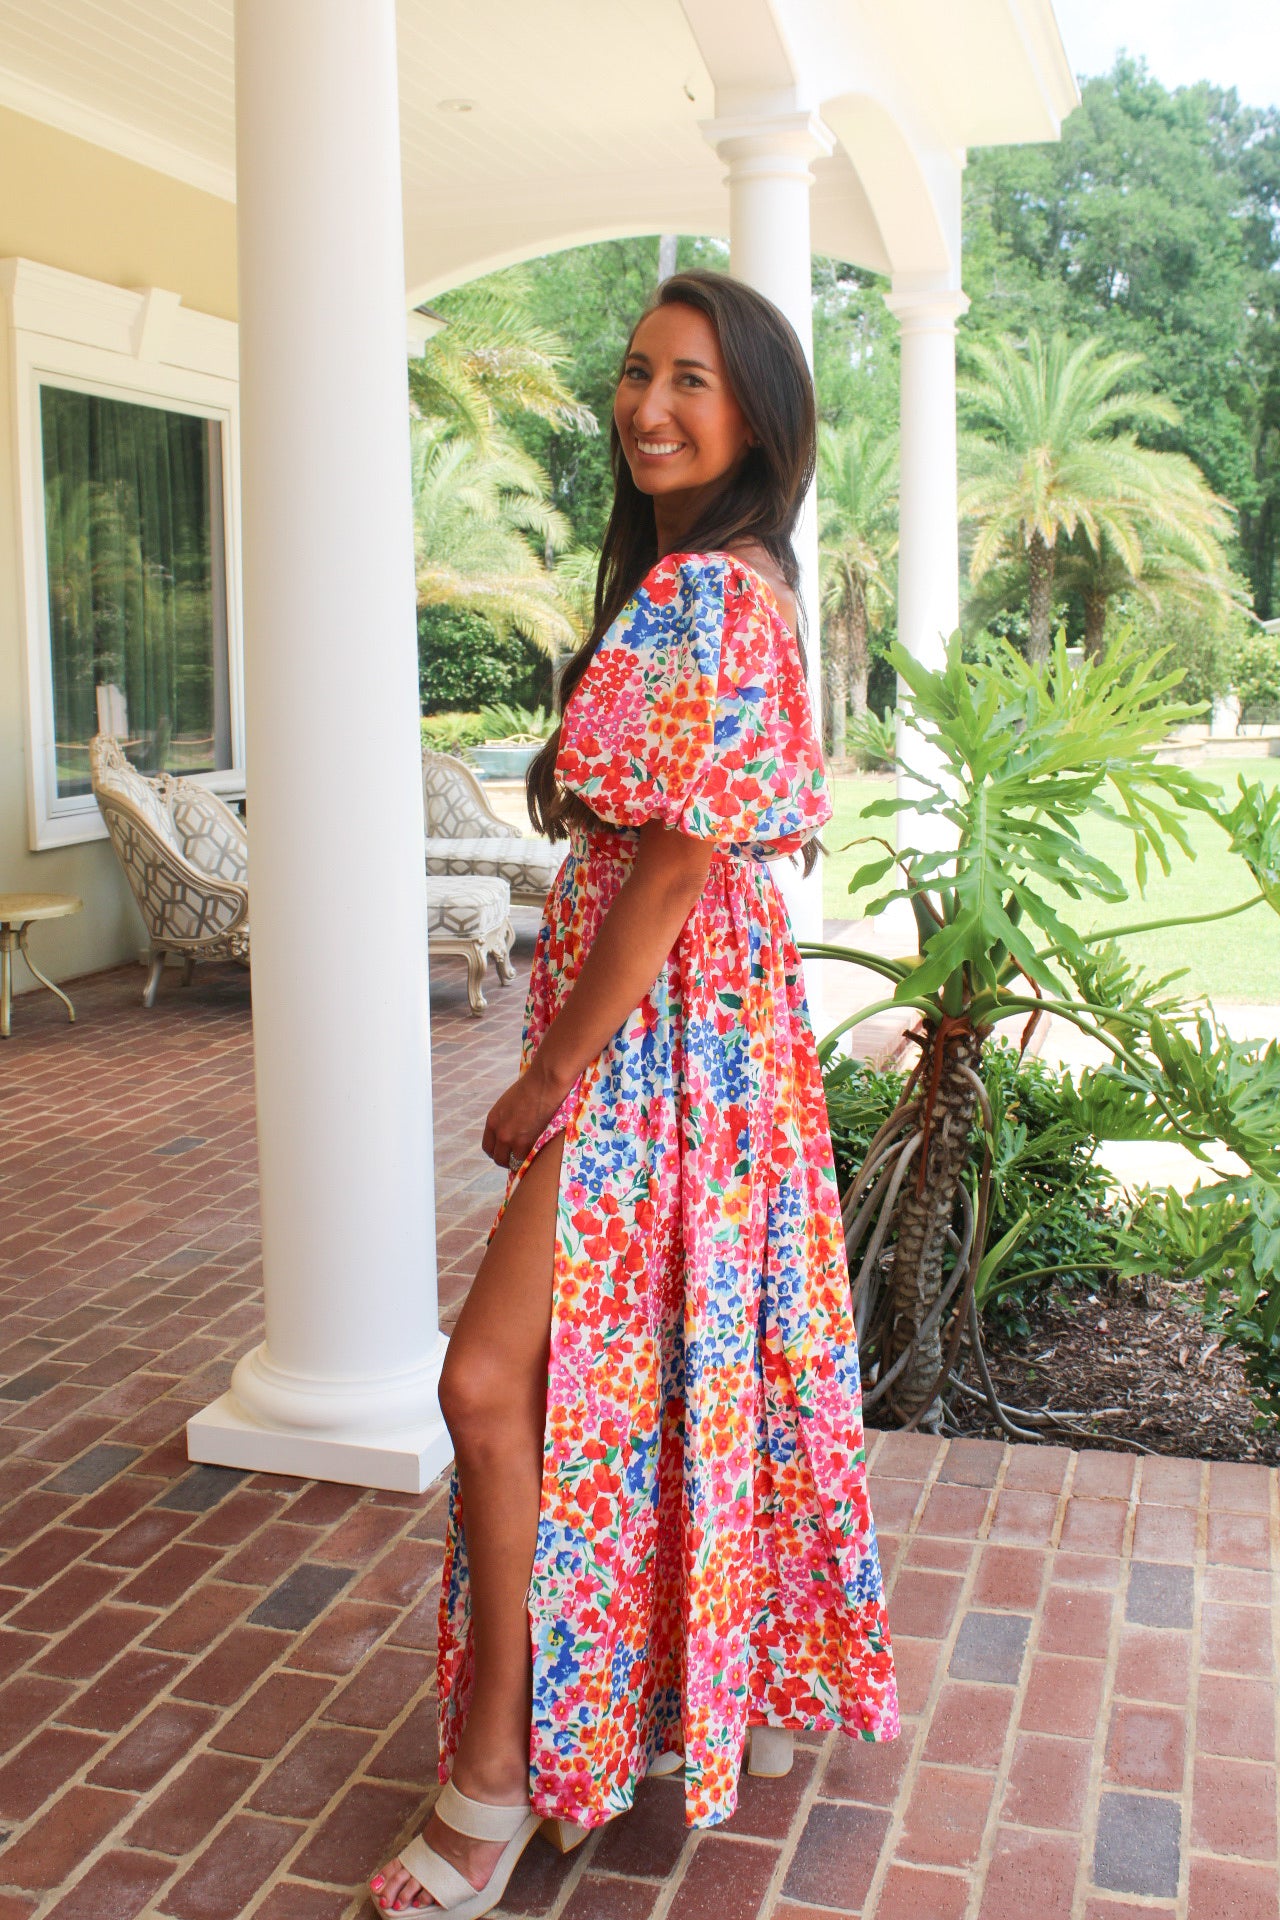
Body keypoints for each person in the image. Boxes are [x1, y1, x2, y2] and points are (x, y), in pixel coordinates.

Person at [370, 269, 898, 1919]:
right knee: (630, 1376)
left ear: (757, 419)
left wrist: (550, 1068)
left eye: (691, 381)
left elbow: (674, 862)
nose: (648, 407)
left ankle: (497, 1771)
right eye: (635, 372)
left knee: (486, 1383)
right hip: (692, 1028)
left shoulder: (714, 592)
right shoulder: (716, 581)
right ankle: (607, 1721)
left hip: (656, 1034)